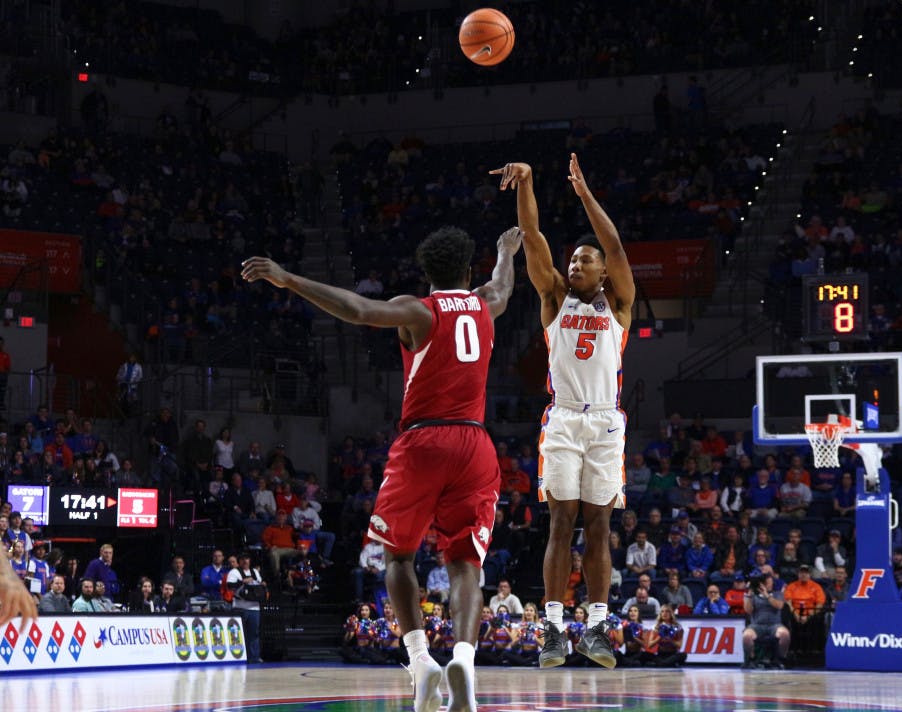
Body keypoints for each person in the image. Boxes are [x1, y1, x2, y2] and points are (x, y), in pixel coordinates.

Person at [243, 222, 521, 712]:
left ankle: (421, 662)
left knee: (399, 558)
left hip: (423, 441)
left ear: (427, 273)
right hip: (475, 443)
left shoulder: (419, 310)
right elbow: (502, 285)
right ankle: (464, 659)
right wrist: (505, 252)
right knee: (465, 565)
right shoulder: (485, 304)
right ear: (467, 270)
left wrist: (288, 279)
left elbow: (357, 309)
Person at [491, 154, 635, 672]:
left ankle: (596, 626)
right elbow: (532, 237)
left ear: (602, 270)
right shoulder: (555, 297)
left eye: (584, 260)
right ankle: (553, 628)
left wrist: (584, 194)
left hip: (606, 422)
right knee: (560, 522)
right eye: (572, 259)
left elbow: (615, 246)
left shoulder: (619, 303)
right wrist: (527, 182)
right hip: (565, 419)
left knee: (599, 526)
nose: (575, 265)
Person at [742, 571, 791, 669]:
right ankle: (752, 659)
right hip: (757, 625)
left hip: (774, 625)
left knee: (785, 634)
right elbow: (748, 610)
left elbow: (779, 606)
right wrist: (749, 594)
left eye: (770, 582)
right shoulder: (753, 595)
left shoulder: (777, 594)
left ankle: (780, 659)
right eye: (766, 583)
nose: (768, 584)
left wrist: (767, 595)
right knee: (746, 636)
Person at [115, 352, 142, 417]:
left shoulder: (138, 367)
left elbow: (140, 376)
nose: (132, 359)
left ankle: (130, 415)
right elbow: (118, 375)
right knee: (122, 401)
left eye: (133, 357)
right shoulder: (124, 366)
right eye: (131, 357)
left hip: (132, 386)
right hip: (124, 385)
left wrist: (134, 381)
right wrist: (122, 379)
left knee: (132, 401)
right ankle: (122, 415)